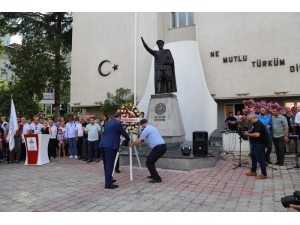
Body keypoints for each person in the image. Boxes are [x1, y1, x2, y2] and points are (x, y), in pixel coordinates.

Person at [99, 112, 130, 189]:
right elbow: (123, 133)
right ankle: (108, 184)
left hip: (103, 144)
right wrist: (128, 139)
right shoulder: (117, 124)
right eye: (120, 118)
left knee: (106, 164)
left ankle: (109, 179)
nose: (120, 120)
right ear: (118, 117)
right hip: (110, 146)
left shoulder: (108, 123)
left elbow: (112, 133)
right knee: (110, 164)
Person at [129, 119, 166, 183]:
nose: (141, 126)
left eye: (141, 124)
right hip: (161, 147)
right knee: (151, 161)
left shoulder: (147, 129)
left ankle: (157, 178)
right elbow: (141, 133)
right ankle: (153, 175)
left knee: (149, 162)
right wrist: (133, 132)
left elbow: (139, 140)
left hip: (159, 148)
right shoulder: (150, 127)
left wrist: (132, 145)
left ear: (143, 124)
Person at [243, 114, 268, 179]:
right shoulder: (255, 124)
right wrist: (248, 131)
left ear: (253, 118)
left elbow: (257, 134)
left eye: (249, 120)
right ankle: (253, 171)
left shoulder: (258, 124)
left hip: (259, 144)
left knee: (260, 159)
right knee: (253, 157)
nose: (249, 122)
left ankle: (264, 174)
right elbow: (254, 131)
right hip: (254, 144)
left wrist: (248, 134)